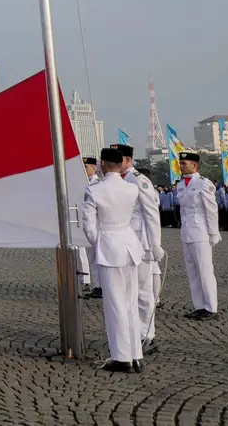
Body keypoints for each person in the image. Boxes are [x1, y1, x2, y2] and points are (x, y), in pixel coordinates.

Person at [81, 147, 156, 373]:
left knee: (115, 304)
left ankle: (122, 357)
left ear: (103, 164)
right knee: (130, 303)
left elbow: (88, 225)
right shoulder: (131, 188)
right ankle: (136, 354)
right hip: (129, 245)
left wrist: (99, 243)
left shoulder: (95, 190)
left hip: (110, 246)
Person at [114, 144, 164, 355]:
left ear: (127, 160)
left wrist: (155, 244)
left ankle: (147, 335)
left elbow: (151, 213)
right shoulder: (120, 180)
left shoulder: (139, 180)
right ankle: (133, 333)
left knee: (144, 293)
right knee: (129, 291)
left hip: (141, 243)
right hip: (126, 242)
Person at [176, 152, 220, 320]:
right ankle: (199, 305)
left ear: (194, 165)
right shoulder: (181, 185)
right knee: (192, 271)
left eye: (184, 163)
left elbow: (211, 209)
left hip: (201, 232)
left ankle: (211, 307)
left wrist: (213, 232)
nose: (181, 166)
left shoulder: (203, 183)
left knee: (205, 270)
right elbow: (182, 211)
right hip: (187, 231)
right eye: (181, 163)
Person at [79, 157, 103, 299]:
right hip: (87, 226)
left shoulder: (98, 184)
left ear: (94, 168)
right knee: (92, 258)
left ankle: (102, 286)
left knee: (99, 258)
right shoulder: (82, 184)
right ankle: (97, 286)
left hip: (98, 227)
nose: (84, 170)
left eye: (86, 167)